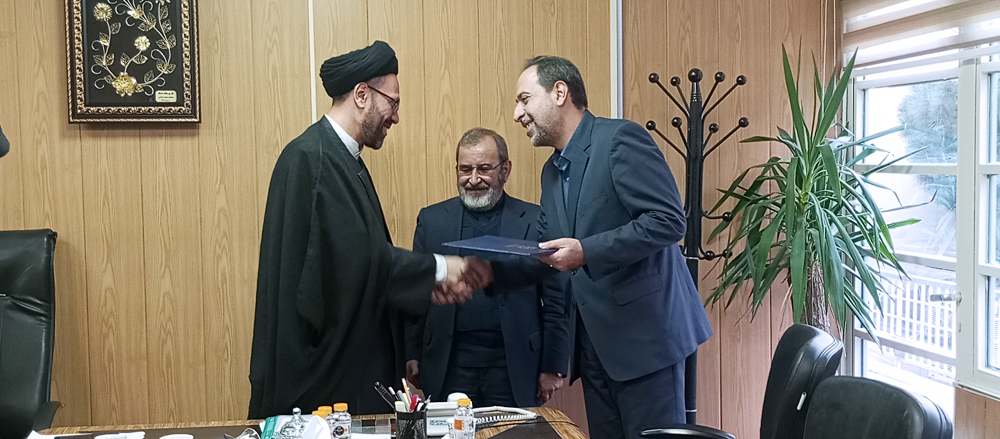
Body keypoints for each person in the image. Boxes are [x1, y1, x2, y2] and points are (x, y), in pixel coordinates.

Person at [248, 41, 490, 419]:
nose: (396, 117)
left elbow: (357, 263)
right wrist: (441, 268)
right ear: (362, 95)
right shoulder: (313, 159)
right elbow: (357, 262)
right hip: (322, 375)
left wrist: (424, 285)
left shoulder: (341, 159)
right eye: (393, 102)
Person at [510, 56, 713, 438]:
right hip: (594, 349)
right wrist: (485, 267)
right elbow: (547, 246)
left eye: (524, 99)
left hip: (646, 343)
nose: (517, 114)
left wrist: (586, 251)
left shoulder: (620, 139)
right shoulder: (551, 171)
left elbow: (669, 220)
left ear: (559, 93)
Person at [404, 128, 570, 407]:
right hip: (447, 365)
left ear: (505, 170)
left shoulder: (536, 220)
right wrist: (411, 353)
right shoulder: (431, 221)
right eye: (465, 169)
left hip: (516, 367)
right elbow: (417, 294)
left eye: (483, 169)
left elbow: (556, 301)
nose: (473, 179)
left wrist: (553, 365)